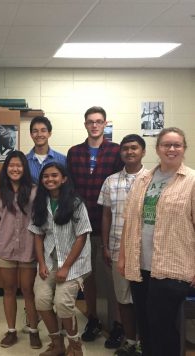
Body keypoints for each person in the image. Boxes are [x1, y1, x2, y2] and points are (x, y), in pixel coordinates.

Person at [118, 127, 195, 356]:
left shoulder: (191, 181)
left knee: (163, 327)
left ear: (184, 149)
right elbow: (129, 222)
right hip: (140, 265)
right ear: (157, 149)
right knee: (145, 324)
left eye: (177, 145)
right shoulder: (143, 180)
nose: (171, 149)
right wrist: (122, 256)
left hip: (173, 267)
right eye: (166, 145)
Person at [67, 106, 123, 342]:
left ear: (105, 124)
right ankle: (93, 319)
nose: (95, 125)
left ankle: (118, 324)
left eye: (99, 121)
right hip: (80, 227)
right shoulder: (74, 152)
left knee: (112, 279)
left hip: (107, 226)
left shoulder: (116, 151)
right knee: (87, 277)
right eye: (90, 121)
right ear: (85, 124)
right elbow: (69, 189)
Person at [29, 162, 92, 356]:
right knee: (41, 300)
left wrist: (65, 267)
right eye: (45, 176)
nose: (50, 179)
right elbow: (38, 235)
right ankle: (57, 344)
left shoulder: (75, 203)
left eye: (54, 175)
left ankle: (75, 346)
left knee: (63, 303)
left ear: (63, 178)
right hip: (49, 260)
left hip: (74, 262)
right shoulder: (40, 203)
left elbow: (82, 236)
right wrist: (41, 263)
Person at [0, 151, 41, 349]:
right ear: (6, 168)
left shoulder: (35, 191)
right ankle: (11, 331)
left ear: (24, 168)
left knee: (28, 291)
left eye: (19, 165)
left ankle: (34, 330)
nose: (15, 169)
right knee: (8, 290)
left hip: (29, 249)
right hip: (5, 248)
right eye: (11, 165)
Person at [98, 134, 146, 355]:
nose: (129, 152)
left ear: (143, 151)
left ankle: (147, 341)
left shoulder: (152, 179)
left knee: (145, 299)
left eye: (134, 148)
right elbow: (106, 215)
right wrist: (106, 246)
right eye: (125, 148)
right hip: (118, 249)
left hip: (146, 253)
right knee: (123, 298)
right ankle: (130, 341)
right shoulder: (111, 181)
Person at [26, 116, 66, 183]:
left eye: (43, 130)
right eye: (35, 131)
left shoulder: (63, 160)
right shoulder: (24, 161)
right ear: (31, 135)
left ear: (49, 134)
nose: (39, 134)